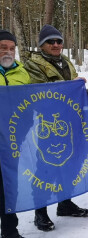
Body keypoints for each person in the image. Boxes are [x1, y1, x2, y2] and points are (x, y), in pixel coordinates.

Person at [24, 24, 88, 231]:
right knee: (45, 169)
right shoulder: (33, 65)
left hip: (70, 122)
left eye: (59, 41)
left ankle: (64, 204)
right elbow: (40, 93)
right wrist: (71, 87)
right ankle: (40, 212)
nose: (56, 44)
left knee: (70, 164)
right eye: (51, 41)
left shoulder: (66, 62)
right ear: (41, 45)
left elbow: (75, 93)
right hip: (46, 124)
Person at [0, 30, 29, 238]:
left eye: (11, 48)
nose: (8, 52)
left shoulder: (23, 74)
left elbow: (31, 104)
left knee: (11, 185)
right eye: (3, 48)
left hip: (12, 141)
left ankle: (10, 230)